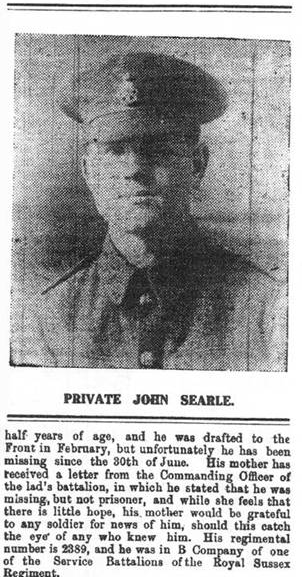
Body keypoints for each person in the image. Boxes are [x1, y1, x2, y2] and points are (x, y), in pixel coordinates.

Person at [11, 51, 287, 370]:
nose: (134, 169)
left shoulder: (267, 310)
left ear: (197, 166)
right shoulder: (48, 318)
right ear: (88, 172)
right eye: (115, 151)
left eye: (157, 150)